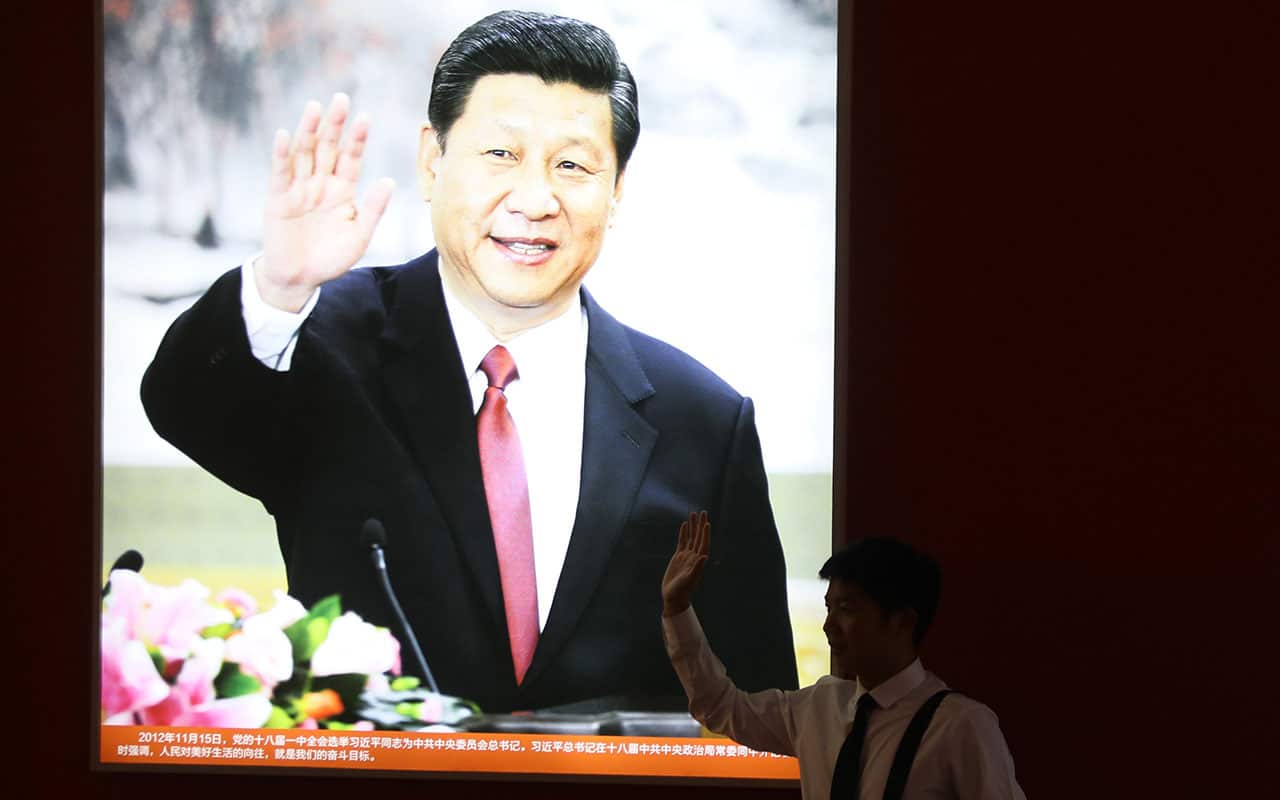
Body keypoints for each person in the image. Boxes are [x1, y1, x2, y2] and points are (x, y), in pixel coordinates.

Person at [141, 10, 796, 715]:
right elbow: (184, 405)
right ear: (433, 160)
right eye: (501, 154)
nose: (535, 201)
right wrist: (278, 286)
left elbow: (763, 713)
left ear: (616, 191)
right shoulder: (324, 343)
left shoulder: (703, 420)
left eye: (572, 166)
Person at [662, 511, 1025, 799]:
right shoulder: (818, 707)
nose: (829, 625)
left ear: (902, 621)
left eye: (847, 609)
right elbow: (720, 706)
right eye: (828, 607)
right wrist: (677, 608)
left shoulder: (962, 726)